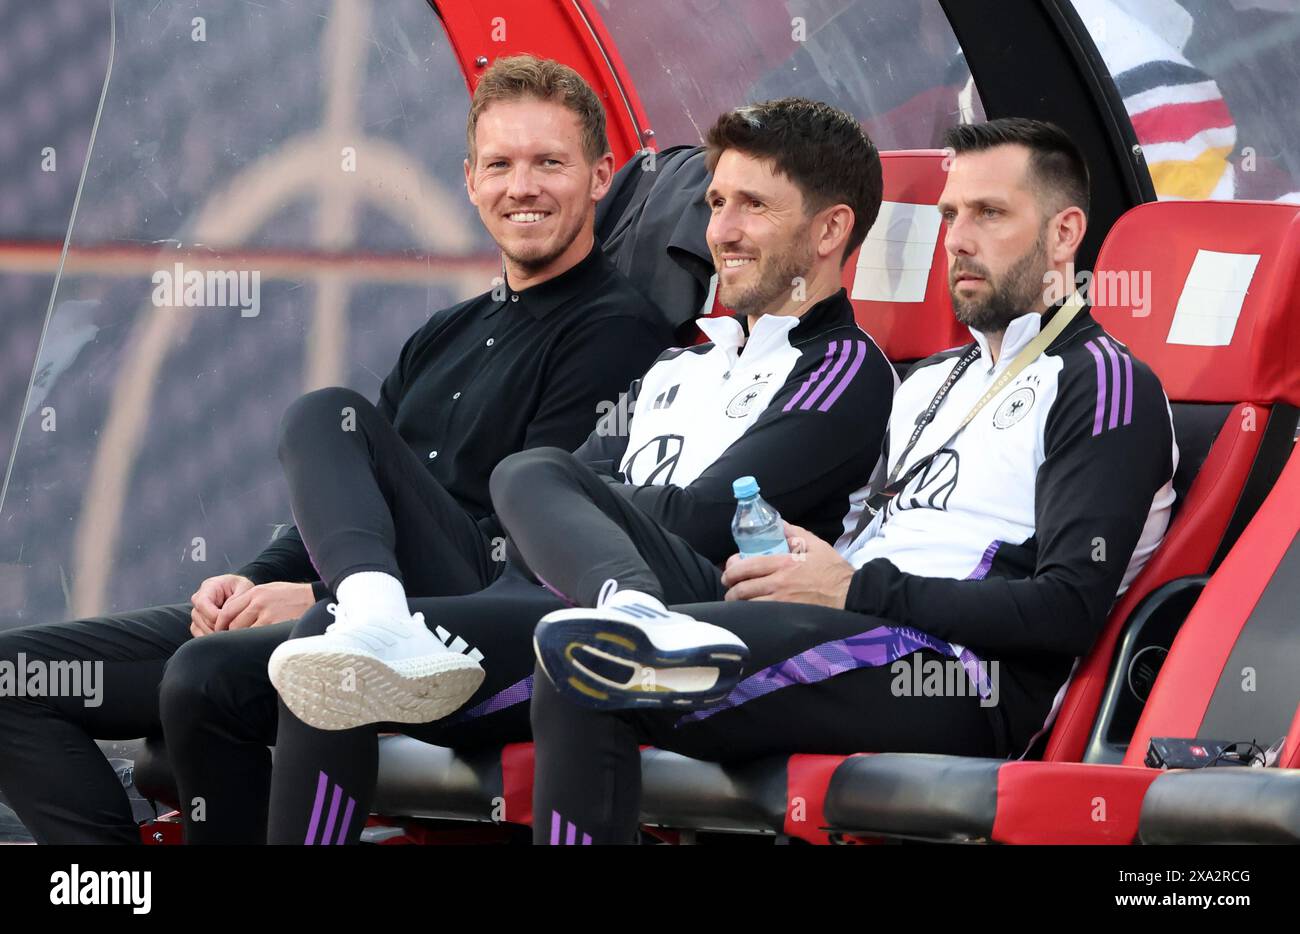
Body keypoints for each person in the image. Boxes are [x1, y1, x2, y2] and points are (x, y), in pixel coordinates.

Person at [173, 97, 896, 845]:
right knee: (327, 424)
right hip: (524, 584)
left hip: (673, 618)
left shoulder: (842, 364)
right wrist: (575, 502)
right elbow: (544, 506)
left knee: (488, 508)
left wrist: (579, 502)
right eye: (716, 202)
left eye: (753, 206)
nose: (722, 230)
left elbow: (709, 519)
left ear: (829, 230)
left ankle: (442, 618)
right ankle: (374, 605)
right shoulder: (684, 360)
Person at [0, 54, 669, 844]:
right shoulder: (447, 332)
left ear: (599, 177)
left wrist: (336, 597)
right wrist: (252, 580)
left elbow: (538, 540)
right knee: (14, 677)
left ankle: (360, 610)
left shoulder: (615, 328)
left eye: (548, 163)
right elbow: (348, 489)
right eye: (500, 164)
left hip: (456, 623)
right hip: (350, 598)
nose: (521, 186)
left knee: (322, 423)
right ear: (469, 180)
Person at [513, 117, 1179, 844]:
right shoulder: (928, 381)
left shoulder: (1106, 384)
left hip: (952, 677)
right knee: (573, 602)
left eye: (990, 214)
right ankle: (626, 606)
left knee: (595, 666)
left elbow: (1066, 610)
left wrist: (853, 589)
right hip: (843, 620)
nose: (957, 239)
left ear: (1064, 234)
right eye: (950, 215)